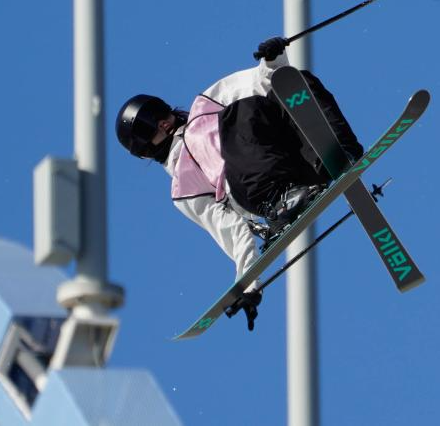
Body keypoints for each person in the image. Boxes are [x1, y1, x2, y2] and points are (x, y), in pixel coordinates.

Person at [115, 37, 363, 330]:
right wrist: (249, 282)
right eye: (148, 127)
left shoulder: (206, 103)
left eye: (158, 113)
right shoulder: (183, 186)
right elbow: (229, 229)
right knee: (236, 118)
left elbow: (264, 80)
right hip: (258, 193)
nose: (161, 123)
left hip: (300, 165)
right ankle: (279, 200)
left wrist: (273, 60)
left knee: (293, 82)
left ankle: (336, 152)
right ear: (145, 149)